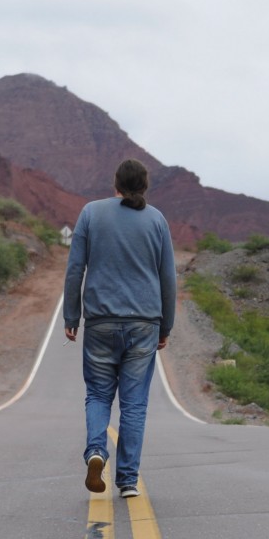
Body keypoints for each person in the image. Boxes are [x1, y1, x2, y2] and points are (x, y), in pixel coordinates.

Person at [63, 158, 177, 499]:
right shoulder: (156, 220)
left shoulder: (91, 213)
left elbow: (75, 269)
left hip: (100, 322)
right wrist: (165, 325)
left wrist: (72, 316)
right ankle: (127, 480)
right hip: (144, 323)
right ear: (144, 186)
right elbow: (168, 278)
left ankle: (96, 451)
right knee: (134, 404)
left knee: (98, 394)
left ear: (115, 183)